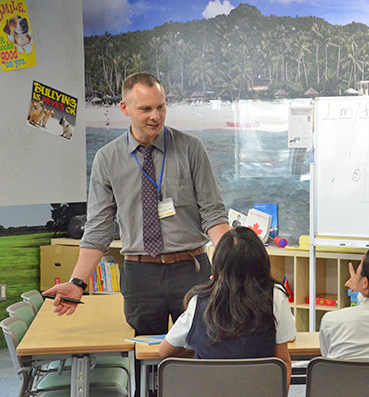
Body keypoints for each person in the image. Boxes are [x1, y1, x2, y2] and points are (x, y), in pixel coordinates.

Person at [43, 71, 230, 335]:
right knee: (145, 355)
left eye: (161, 107)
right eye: (145, 109)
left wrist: (231, 268)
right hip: (140, 275)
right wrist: (77, 282)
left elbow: (213, 215)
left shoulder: (191, 148)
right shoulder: (107, 159)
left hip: (192, 270)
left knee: (201, 350)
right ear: (125, 108)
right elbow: (98, 228)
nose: (156, 116)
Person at [158, 226, 297, 389]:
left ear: (217, 264)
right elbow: (283, 361)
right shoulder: (275, 295)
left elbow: (165, 351)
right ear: (262, 262)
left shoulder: (200, 300)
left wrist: (202, 350)